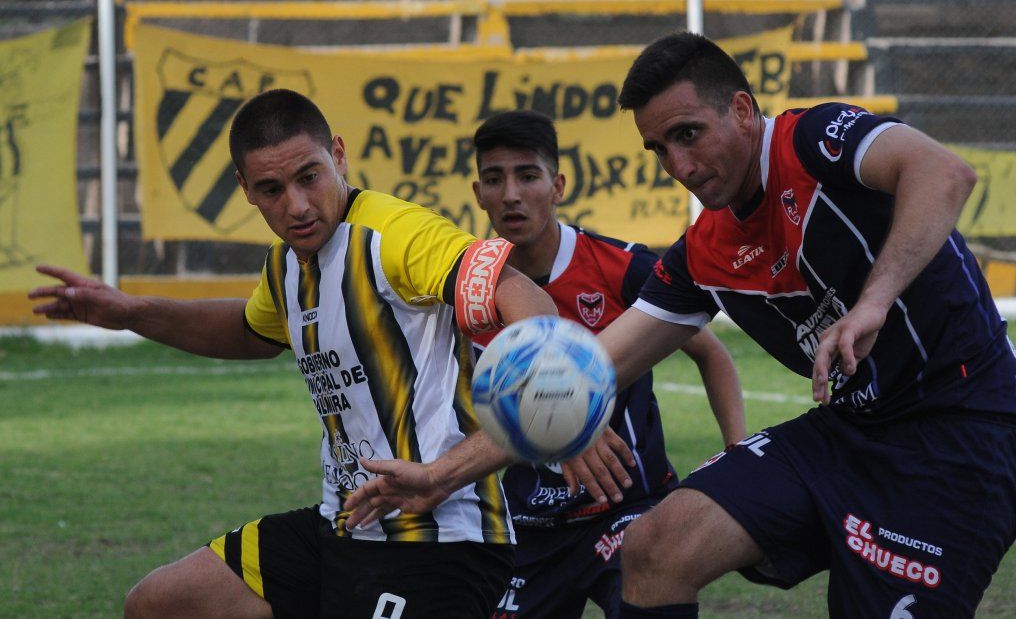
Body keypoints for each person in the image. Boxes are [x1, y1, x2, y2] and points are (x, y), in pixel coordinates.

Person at [28, 88, 560, 619]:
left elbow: (528, 303)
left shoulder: (395, 234)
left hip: (442, 539)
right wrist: (131, 313)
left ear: (338, 155)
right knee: (162, 604)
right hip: (342, 526)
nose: (297, 205)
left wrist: (448, 470)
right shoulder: (286, 264)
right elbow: (248, 330)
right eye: (271, 189)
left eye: (309, 177)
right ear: (245, 189)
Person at [594, 32, 1015, 618]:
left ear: (742, 111)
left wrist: (873, 302)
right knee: (655, 546)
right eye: (658, 149)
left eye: (688, 134)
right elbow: (593, 369)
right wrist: (478, 448)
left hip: (964, 429)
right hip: (847, 433)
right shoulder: (703, 253)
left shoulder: (814, 140)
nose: (678, 167)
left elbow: (945, 173)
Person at [469, 110, 745, 619]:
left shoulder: (621, 266)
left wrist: (736, 453)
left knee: (652, 588)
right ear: (477, 193)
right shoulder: (471, 291)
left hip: (628, 507)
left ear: (558, 185)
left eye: (527, 176)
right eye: (494, 179)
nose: (510, 194)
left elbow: (712, 353)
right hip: (531, 524)